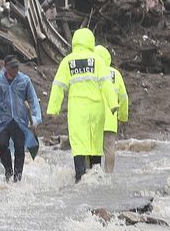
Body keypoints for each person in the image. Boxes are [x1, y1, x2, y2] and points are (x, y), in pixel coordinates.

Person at [47, 28, 119, 182]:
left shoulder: (67, 61)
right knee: (95, 141)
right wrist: (113, 104)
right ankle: (97, 175)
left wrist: (54, 109)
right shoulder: (97, 60)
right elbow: (106, 84)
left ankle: (80, 177)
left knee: (79, 142)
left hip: (77, 110)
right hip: (96, 109)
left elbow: (58, 85)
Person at [0, 54, 42, 183]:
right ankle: (8, 172)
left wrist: (34, 118)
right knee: (2, 145)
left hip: (19, 121)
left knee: (20, 149)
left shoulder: (25, 80)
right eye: (12, 68)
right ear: (5, 67)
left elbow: (33, 100)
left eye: (16, 67)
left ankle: (18, 178)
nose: (15, 70)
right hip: (3, 122)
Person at [94, 44, 129, 173]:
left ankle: (91, 174)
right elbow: (124, 97)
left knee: (92, 149)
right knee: (109, 149)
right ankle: (109, 174)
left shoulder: (93, 72)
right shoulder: (116, 74)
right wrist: (122, 117)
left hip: (94, 119)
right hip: (110, 119)